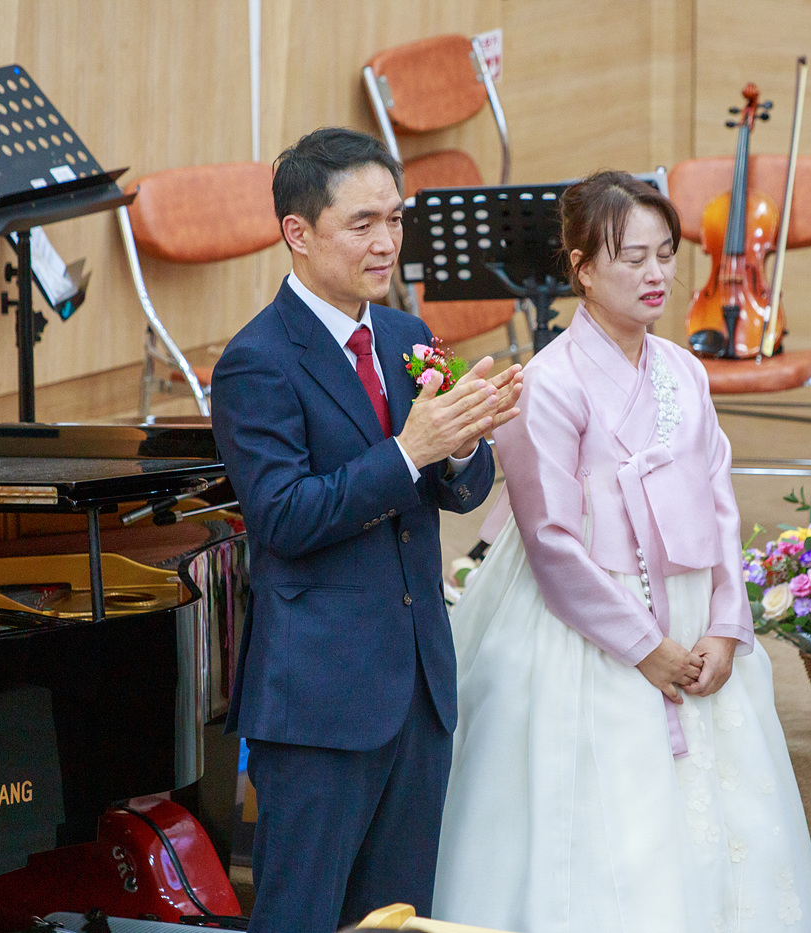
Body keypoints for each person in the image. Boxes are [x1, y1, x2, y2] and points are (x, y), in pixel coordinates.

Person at [432, 171, 811, 933]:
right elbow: (549, 539)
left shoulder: (684, 368)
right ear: (583, 268)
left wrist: (725, 624)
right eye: (632, 258)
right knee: (609, 818)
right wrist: (647, 647)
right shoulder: (546, 382)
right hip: (590, 616)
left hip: (690, 601)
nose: (656, 275)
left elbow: (719, 501)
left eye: (665, 255)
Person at [211, 126, 522, 933]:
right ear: (298, 231)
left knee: (400, 918)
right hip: (321, 701)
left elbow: (462, 488)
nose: (387, 242)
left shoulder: (407, 337)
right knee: (301, 917)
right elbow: (283, 516)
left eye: (395, 219)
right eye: (363, 223)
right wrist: (411, 449)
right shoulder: (256, 362)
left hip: (419, 688)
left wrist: (463, 445)